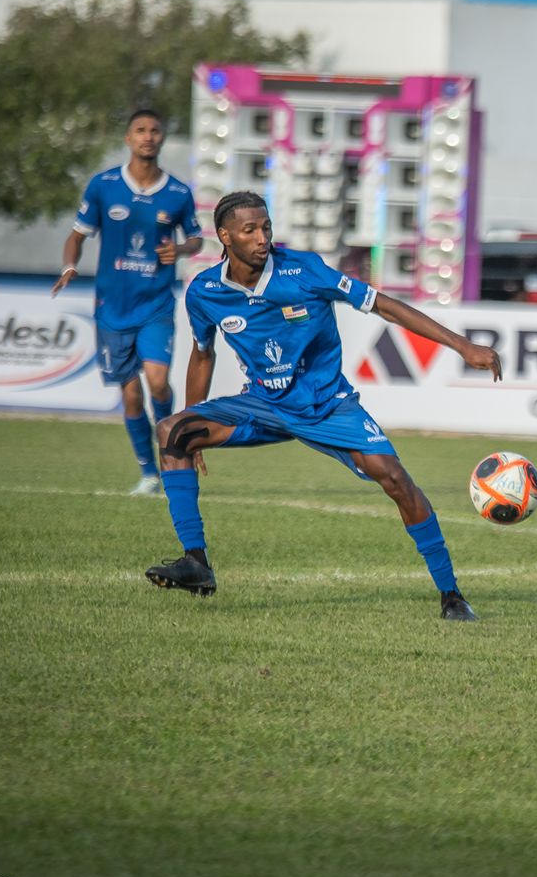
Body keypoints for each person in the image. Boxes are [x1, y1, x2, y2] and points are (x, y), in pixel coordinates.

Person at [144, 191, 503, 620]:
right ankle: (196, 563)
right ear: (224, 236)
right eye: (249, 230)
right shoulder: (205, 292)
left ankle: (451, 595)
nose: (262, 238)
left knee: (395, 479)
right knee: (173, 431)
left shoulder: (304, 270)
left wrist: (462, 346)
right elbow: (203, 354)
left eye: (266, 227)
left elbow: (385, 307)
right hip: (263, 404)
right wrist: (193, 417)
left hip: (327, 406)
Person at [53, 109, 204, 495]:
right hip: (112, 308)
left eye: (154, 130)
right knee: (132, 395)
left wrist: (180, 249)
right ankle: (148, 474)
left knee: (158, 382)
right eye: (140, 130)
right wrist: (69, 266)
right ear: (128, 138)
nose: (148, 136)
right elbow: (77, 235)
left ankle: (170, 453)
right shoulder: (104, 186)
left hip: (155, 304)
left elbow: (196, 238)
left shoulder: (177, 192)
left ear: (162, 137)